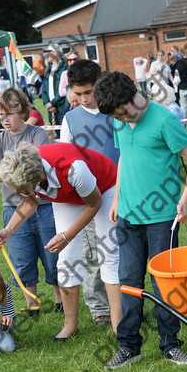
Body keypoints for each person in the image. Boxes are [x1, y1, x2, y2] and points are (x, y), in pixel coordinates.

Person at [94, 71, 187, 368]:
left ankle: (171, 345)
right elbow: (124, 159)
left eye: (124, 111)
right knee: (129, 282)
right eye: (117, 116)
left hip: (162, 218)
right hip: (128, 216)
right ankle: (129, 347)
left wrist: (185, 198)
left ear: (132, 95)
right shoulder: (119, 119)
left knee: (164, 284)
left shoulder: (165, 120)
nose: (123, 119)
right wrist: (117, 199)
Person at [0, 142, 121, 341]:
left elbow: (94, 203)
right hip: (69, 195)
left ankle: (119, 325)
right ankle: (70, 326)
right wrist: (9, 230)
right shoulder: (28, 171)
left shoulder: (73, 169)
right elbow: (30, 201)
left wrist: (68, 236)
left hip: (104, 188)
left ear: (38, 178)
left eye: (20, 188)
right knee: (66, 261)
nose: (16, 192)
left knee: (108, 253)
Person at [0, 87, 62, 312]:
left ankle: (60, 301)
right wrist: (19, 170)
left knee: (52, 255)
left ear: (22, 112)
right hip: (13, 206)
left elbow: (39, 168)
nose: (5, 120)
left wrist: (9, 170)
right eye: (1, 115)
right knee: (22, 258)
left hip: (45, 205)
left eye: (10, 113)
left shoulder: (37, 134)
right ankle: (33, 304)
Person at [61, 59, 120, 328]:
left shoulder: (117, 110)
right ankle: (99, 308)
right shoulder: (70, 119)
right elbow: (65, 157)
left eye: (89, 92)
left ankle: (127, 302)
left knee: (122, 250)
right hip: (88, 195)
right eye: (78, 92)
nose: (84, 98)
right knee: (92, 252)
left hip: (121, 188)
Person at [42, 46, 67, 128]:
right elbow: (44, 89)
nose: (46, 55)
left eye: (48, 53)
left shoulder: (65, 68)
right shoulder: (48, 70)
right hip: (51, 109)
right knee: (55, 134)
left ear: (55, 53)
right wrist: (46, 103)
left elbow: (65, 89)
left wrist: (52, 104)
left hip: (62, 108)